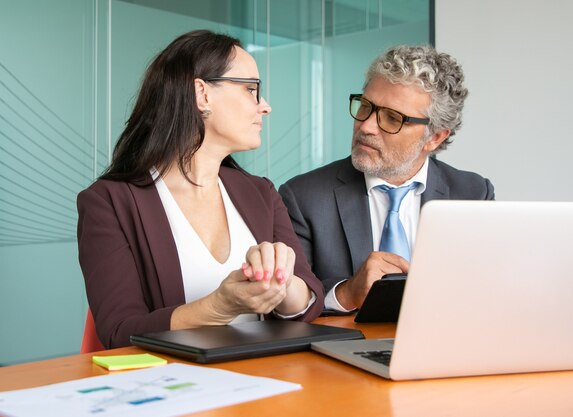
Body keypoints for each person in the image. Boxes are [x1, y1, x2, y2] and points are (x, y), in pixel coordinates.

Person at [77, 30, 323, 349]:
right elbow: (120, 331)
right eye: (251, 89)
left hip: (267, 382)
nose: (265, 106)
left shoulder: (261, 193)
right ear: (202, 94)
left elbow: (309, 303)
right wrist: (221, 306)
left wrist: (281, 280)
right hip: (175, 389)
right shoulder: (109, 202)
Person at [279, 45, 494, 312]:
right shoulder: (303, 197)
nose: (366, 126)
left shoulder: (473, 193)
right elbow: (287, 309)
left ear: (435, 137)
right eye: (365, 106)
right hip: (346, 350)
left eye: (392, 118)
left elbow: (486, 290)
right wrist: (346, 294)